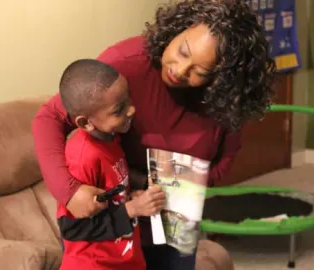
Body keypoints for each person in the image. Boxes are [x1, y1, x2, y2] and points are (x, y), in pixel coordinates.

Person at [32, 0, 274, 269]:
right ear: (179, 28)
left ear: (222, 79)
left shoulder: (227, 100)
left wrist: (179, 185)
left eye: (201, 72)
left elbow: (223, 162)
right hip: (114, 226)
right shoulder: (126, 64)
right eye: (183, 51)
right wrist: (70, 192)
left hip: (177, 215)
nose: (180, 70)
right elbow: (49, 118)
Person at [56, 59, 166, 270]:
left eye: (128, 99)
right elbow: (72, 229)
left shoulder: (111, 137)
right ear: (85, 122)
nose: (132, 109)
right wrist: (132, 209)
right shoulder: (82, 157)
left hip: (126, 258)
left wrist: (133, 196)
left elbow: (112, 192)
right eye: (119, 110)